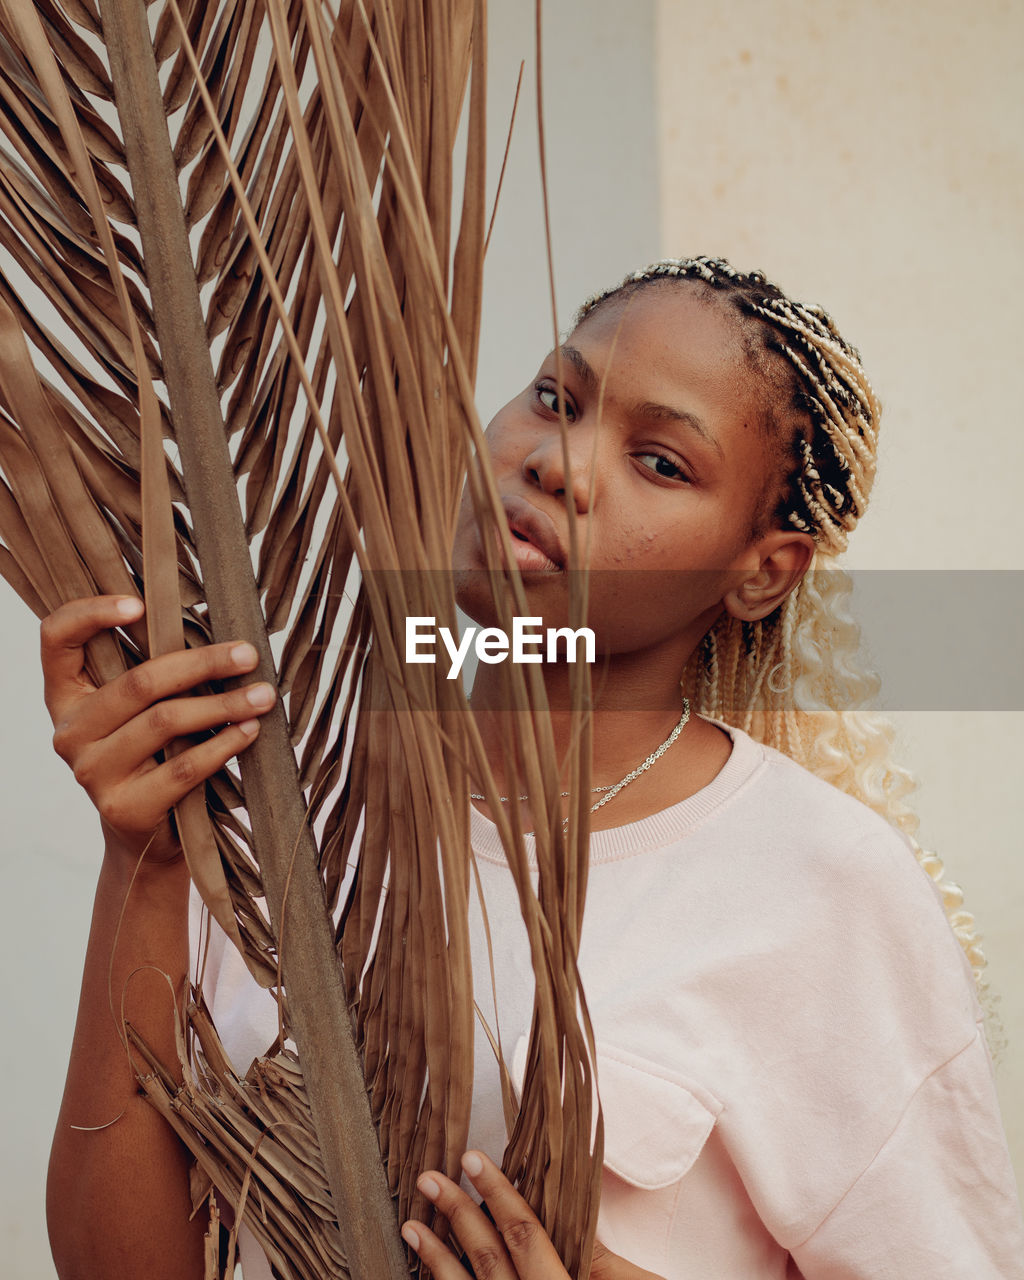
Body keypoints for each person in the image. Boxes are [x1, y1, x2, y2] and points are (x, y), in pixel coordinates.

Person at [42, 258, 1024, 1279]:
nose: (559, 462)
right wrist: (143, 858)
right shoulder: (288, 804)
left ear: (760, 570)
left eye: (661, 461)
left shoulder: (823, 883)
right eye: (558, 397)